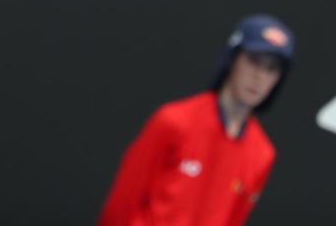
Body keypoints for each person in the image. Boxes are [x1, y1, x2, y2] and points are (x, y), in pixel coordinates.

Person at [97, 15, 295, 226]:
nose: (259, 76)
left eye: (272, 69)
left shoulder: (262, 154)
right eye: (254, 61)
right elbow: (121, 204)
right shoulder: (174, 121)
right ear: (232, 59)